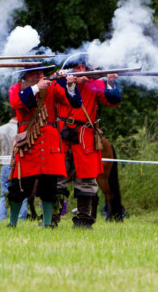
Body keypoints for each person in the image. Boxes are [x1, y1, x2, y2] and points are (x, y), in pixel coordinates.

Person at [7, 65, 80, 228]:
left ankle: (47, 223)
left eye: (42, 72)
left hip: (49, 144)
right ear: (27, 75)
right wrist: (36, 88)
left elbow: (73, 102)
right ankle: (12, 223)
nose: (41, 75)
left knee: (49, 187)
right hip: (28, 143)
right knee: (19, 187)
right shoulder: (16, 88)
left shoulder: (53, 87)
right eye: (36, 73)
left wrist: (70, 85)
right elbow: (16, 101)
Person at [54, 58, 121, 228]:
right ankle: (52, 218)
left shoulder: (94, 83)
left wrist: (111, 82)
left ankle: (83, 219)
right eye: (77, 67)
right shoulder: (59, 82)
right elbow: (56, 90)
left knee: (87, 179)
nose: (81, 69)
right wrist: (72, 81)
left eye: (83, 66)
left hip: (85, 136)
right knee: (56, 177)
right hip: (62, 134)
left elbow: (113, 100)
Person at [0, 107, 28, 221]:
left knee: (4, 193)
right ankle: (21, 218)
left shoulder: (1, 129)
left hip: (5, 164)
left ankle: (1, 218)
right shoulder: (23, 128)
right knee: (22, 190)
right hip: (20, 164)